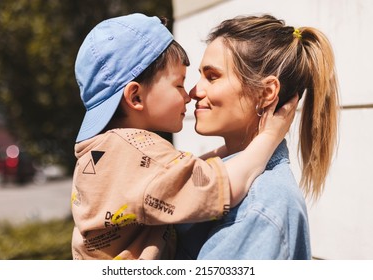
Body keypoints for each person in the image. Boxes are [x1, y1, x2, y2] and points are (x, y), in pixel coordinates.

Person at [70, 13, 297, 260]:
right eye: (179, 84)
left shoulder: (110, 150)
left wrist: (232, 151)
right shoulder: (137, 152)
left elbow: (183, 171)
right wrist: (271, 135)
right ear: (135, 97)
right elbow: (218, 187)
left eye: (212, 77)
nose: (190, 93)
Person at [175, 14, 339, 260]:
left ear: (266, 93)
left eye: (212, 76)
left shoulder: (261, 205)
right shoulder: (217, 172)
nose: (194, 91)